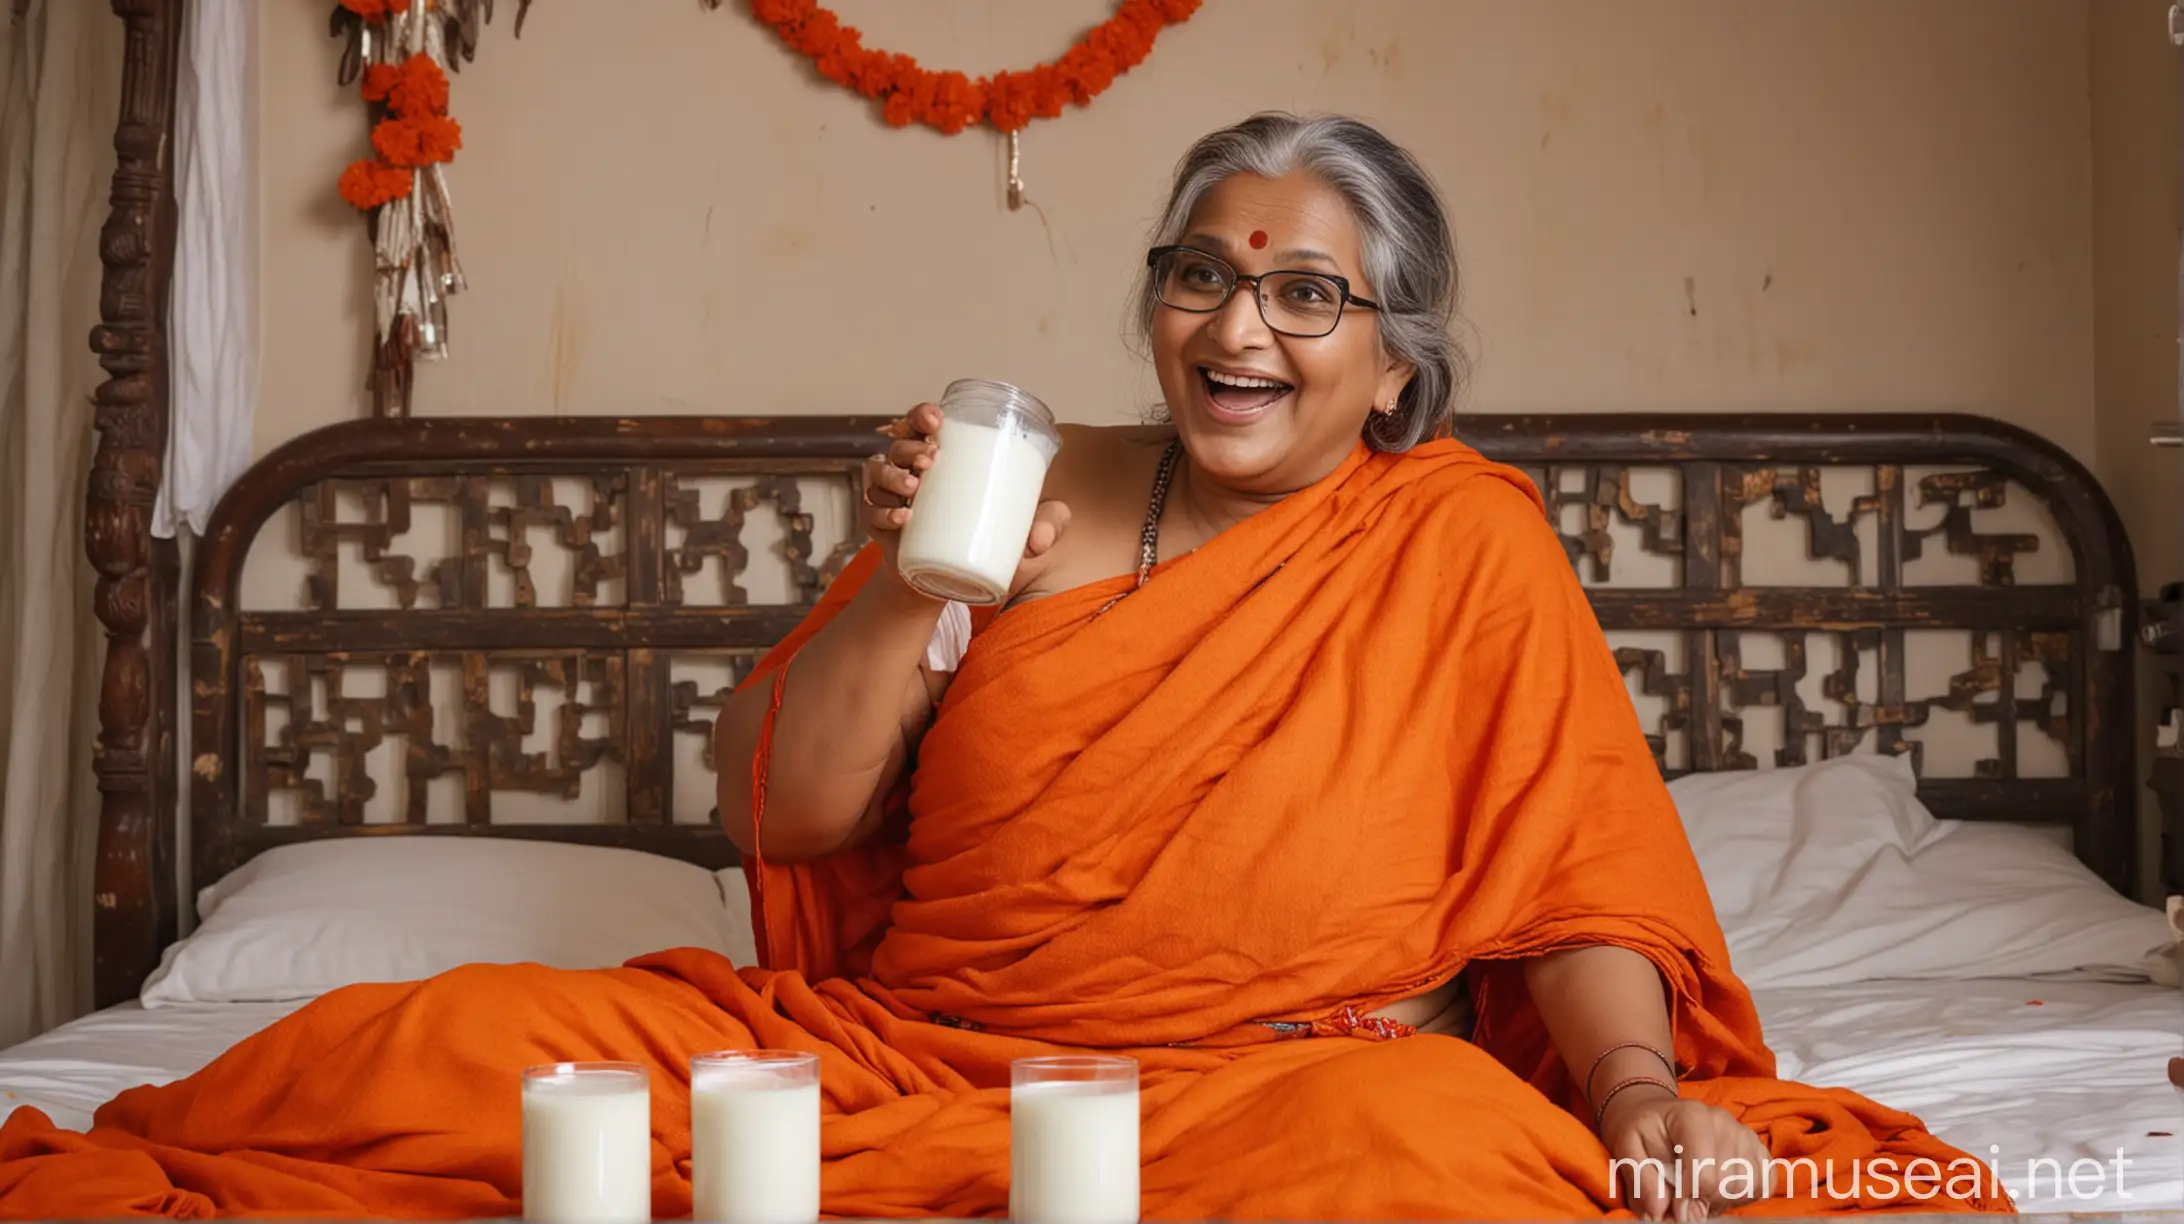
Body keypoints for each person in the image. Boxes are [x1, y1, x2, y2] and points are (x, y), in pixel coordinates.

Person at [0, 112, 2007, 1222]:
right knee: (409, 1055)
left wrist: (1643, 1089)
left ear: (1397, 357)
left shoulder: (1456, 537)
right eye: (1202, 273)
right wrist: (903, 584)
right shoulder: (1008, 479)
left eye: (1309, 293)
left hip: (1269, 1091)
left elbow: (1572, 880)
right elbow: (791, 812)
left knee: (1417, 1166)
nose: (1243, 324)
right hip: (909, 1057)